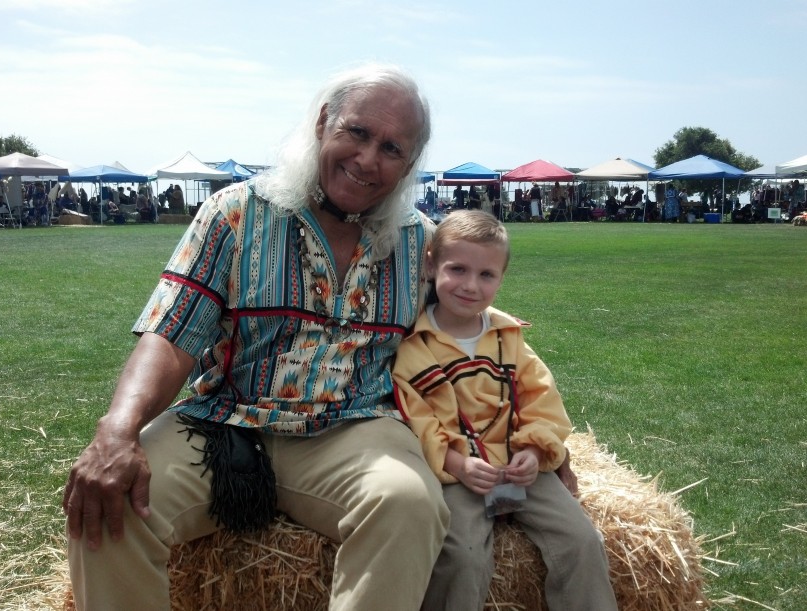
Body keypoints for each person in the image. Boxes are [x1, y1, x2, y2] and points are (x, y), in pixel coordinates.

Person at [63, 63, 449, 611]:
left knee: (408, 502)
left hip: (354, 429)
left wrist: (539, 446)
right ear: (323, 123)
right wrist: (117, 431)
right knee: (110, 502)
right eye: (357, 132)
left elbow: (472, 342)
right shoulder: (236, 213)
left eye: (392, 148)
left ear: (409, 165)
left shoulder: (423, 244)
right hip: (225, 423)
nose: (367, 159)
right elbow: (171, 334)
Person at [393, 210, 617, 611]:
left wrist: (533, 452)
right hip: (459, 475)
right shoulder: (413, 346)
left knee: (583, 540)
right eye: (457, 269)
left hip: (519, 466)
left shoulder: (508, 336)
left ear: (501, 277)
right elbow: (417, 420)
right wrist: (457, 465)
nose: (470, 286)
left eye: (486, 275)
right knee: (461, 555)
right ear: (431, 264)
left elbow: (541, 398)